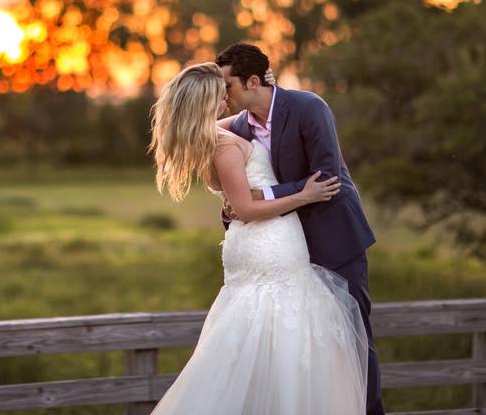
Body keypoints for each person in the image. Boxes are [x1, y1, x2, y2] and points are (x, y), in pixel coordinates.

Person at [148, 61, 368, 414]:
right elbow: (246, 208)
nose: (226, 98)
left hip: (262, 244)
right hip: (267, 245)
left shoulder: (213, 134)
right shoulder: (224, 145)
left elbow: (238, 191)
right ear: (208, 102)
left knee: (269, 338)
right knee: (284, 335)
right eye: (220, 94)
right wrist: (303, 196)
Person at [216, 42, 384, 415]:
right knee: (299, 346)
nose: (222, 94)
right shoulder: (238, 127)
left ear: (253, 81)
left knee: (353, 337)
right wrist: (236, 207)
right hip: (283, 248)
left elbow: (327, 178)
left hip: (335, 239)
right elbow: (235, 180)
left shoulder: (308, 107)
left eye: (227, 85)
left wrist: (265, 193)